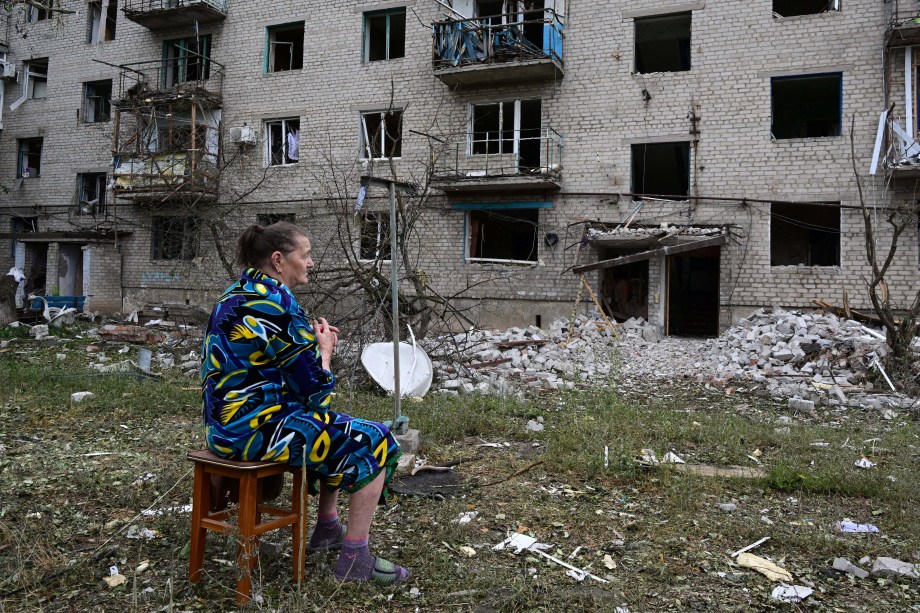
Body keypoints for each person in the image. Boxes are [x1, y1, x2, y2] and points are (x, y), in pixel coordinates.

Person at [201, 221, 409, 585]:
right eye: (306, 254)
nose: (312, 262)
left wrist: (309, 350)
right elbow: (316, 394)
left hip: (224, 430)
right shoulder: (280, 304)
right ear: (279, 260)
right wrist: (325, 352)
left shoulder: (234, 294)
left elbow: (269, 371)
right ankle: (355, 561)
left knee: (334, 427)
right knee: (375, 439)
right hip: (257, 433)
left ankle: (327, 528)